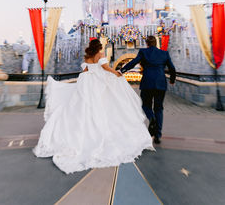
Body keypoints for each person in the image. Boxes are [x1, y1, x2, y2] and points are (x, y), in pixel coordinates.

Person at [33, 39, 154, 174]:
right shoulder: (100, 55)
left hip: (86, 82)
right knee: (102, 105)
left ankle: (83, 129)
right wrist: (117, 73)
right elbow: (105, 68)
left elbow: (85, 70)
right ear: (99, 47)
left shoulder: (87, 57)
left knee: (83, 106)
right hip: (97, 83)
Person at [120, 35, 176, 144]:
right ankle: (158, 136)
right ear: (156, 43)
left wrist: (122, 70)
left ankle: (151, 118)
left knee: (146, 105)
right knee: (159, 108)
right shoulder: (164, 53)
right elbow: (172, 68)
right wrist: (172, 80)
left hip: (148, 82)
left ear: (147, 43)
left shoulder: (143, 52)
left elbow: (134, 62)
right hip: (160, 83)